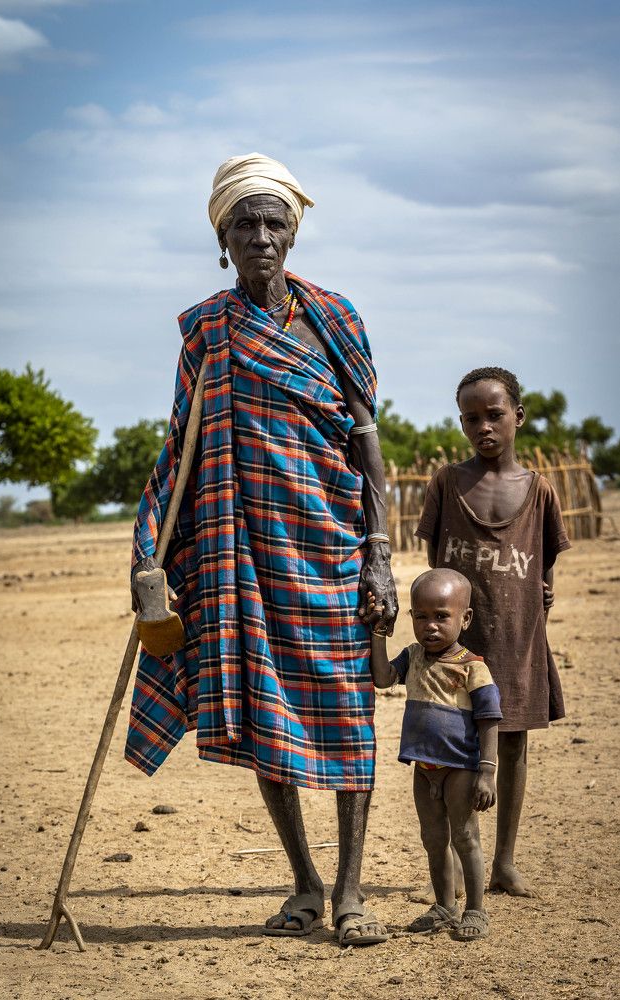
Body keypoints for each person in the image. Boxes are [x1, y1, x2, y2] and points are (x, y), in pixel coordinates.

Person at [125, 153, 398, 945]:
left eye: (274, 222)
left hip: (331, 547)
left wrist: (379, 551)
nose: (261, 237)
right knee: (265, 718)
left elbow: (367, 445)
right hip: (242, 555)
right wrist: (150, 555)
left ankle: (350, 893)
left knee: (349, 713)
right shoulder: (207, 331)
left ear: (294, 232)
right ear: (223, 238)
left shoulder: (335, 319)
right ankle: (305, 886)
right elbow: (180, 451)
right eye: (244, 224)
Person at [415, 367, 570, 898]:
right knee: (456, 748)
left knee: (512, 743)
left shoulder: (540, 491)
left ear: (518, 417)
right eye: (471, 418)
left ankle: (504, 861)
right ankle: (461, 862)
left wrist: (543, 593)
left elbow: (544, 569)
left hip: (516, 638)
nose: (484, 427)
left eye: (495, 415)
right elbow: (434, 565)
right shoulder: (446, 483)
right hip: (458, 646)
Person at [367, 568, 501, 941]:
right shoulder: (413, 657)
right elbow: (381, 678)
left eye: (442, 616)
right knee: (432, 837)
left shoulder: (473, 667)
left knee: (465, 836)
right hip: (424, 768)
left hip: (460, 767)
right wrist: (379, 634)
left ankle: (475, 908)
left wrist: (487, 772)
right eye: (421, 616)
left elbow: (490, 720)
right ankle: (445, 906)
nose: (430, 626)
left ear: (465, 618)